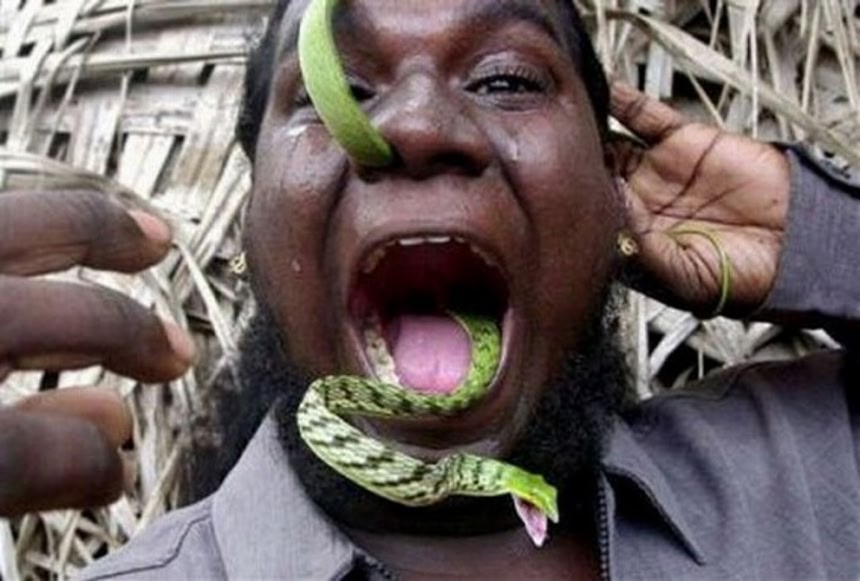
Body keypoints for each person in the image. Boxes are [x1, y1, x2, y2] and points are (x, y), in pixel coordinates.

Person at [1, 0, 857, 578]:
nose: (413, 124)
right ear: (251, 224)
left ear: (613, 185)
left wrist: (820, 236)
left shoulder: (812, 466)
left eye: (505, 79)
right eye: (341, 91)